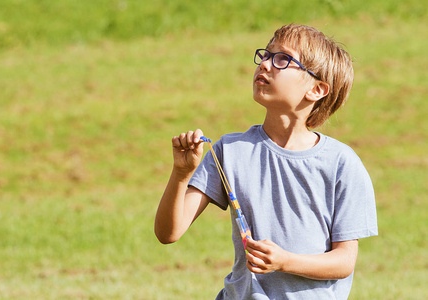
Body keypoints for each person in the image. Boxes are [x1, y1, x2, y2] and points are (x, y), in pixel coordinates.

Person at [154, 24, 378, 299]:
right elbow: (169, 232)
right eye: (265, 54)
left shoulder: (342, 164)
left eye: (283, 59)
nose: (265, 64)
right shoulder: (229, 150)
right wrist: (181, 173)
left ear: (317, 89)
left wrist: (285, 261)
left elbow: (343, 262)